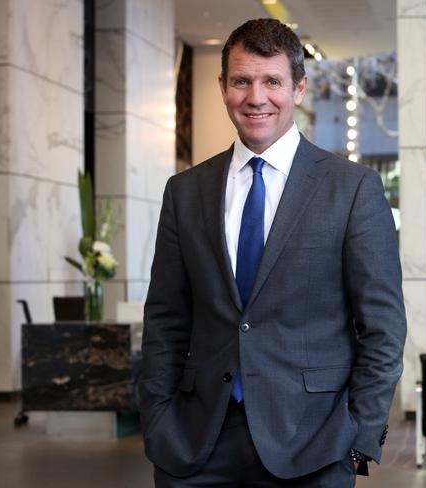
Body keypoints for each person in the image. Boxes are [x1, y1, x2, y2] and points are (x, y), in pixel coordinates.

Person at [139, 18, 406, 488]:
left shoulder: (352, 189)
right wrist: (157, 423)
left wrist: (360, 439)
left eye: (272, 81)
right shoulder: (185, 191)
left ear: (299, 88)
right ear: (222, 87)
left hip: (313, 446)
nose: (255, 97)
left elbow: (384, 328)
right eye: (241, 80)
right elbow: (165, 318)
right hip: (195, 444)